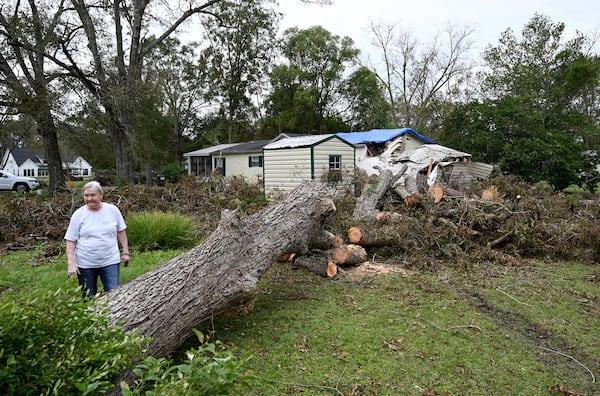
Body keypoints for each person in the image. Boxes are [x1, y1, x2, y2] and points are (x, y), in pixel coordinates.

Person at [65, 181, 130, 297]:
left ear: (101, 195)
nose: (89, 199)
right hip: (85, 264)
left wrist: (125, 252)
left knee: (113, 295)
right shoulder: (78, 215)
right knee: (88, 297)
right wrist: (71, 263)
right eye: (86, 195)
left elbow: (121, 231)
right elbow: (70, 240)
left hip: (110, 261)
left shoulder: (112, 210)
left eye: (93, 195)